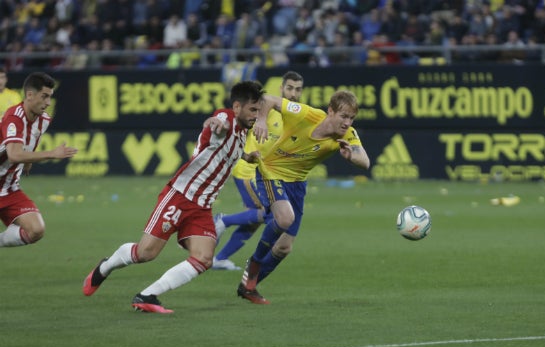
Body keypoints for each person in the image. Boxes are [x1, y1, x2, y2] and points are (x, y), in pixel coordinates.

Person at [82, 81, 265, 313]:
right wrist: (214, 121)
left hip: (202, 207)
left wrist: (247, 157)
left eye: (258, 111)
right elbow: (218, 120)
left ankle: (147, 295)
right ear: (237, 107)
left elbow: (227, 152)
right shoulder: (227, 119)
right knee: (145, 253)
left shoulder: (242, 133)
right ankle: (104, 268)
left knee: (204, 258)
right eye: (252, 110)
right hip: (180, 196)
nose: (256, 115)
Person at [216, 89, 371, 304]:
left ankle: (248, 286)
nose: (347, 122)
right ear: (330, 111)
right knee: (284, 218)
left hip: (297, 184)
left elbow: (365, 161)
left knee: (284, 247)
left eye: (351, 118)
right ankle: (255, 262)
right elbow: (268, 99)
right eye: (343, 116)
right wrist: (261, 120)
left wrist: (351, 156)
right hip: (271, 172)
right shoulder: (305, 114)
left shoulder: (347, 134)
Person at [211, 71, 304, 271]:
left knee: (254, 220)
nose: (293, 93)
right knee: (268, 214)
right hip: (248, 170)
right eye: (289, 88)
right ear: (281, 88)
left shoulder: (294, 114)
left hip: (264, 172)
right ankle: (223, 220)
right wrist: (261, 119)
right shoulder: (266, 109)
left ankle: (219, 258)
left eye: (298, 89)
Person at [0, 72, 78, 248]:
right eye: (44, 97)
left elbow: (31, 140)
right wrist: (51, 154)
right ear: (29, 95)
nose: (48, 103)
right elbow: (14, 154)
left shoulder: (43, 120)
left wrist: (28, 161)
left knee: (36, 230)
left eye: (50, 97)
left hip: (9, 189)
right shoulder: (14, 117)